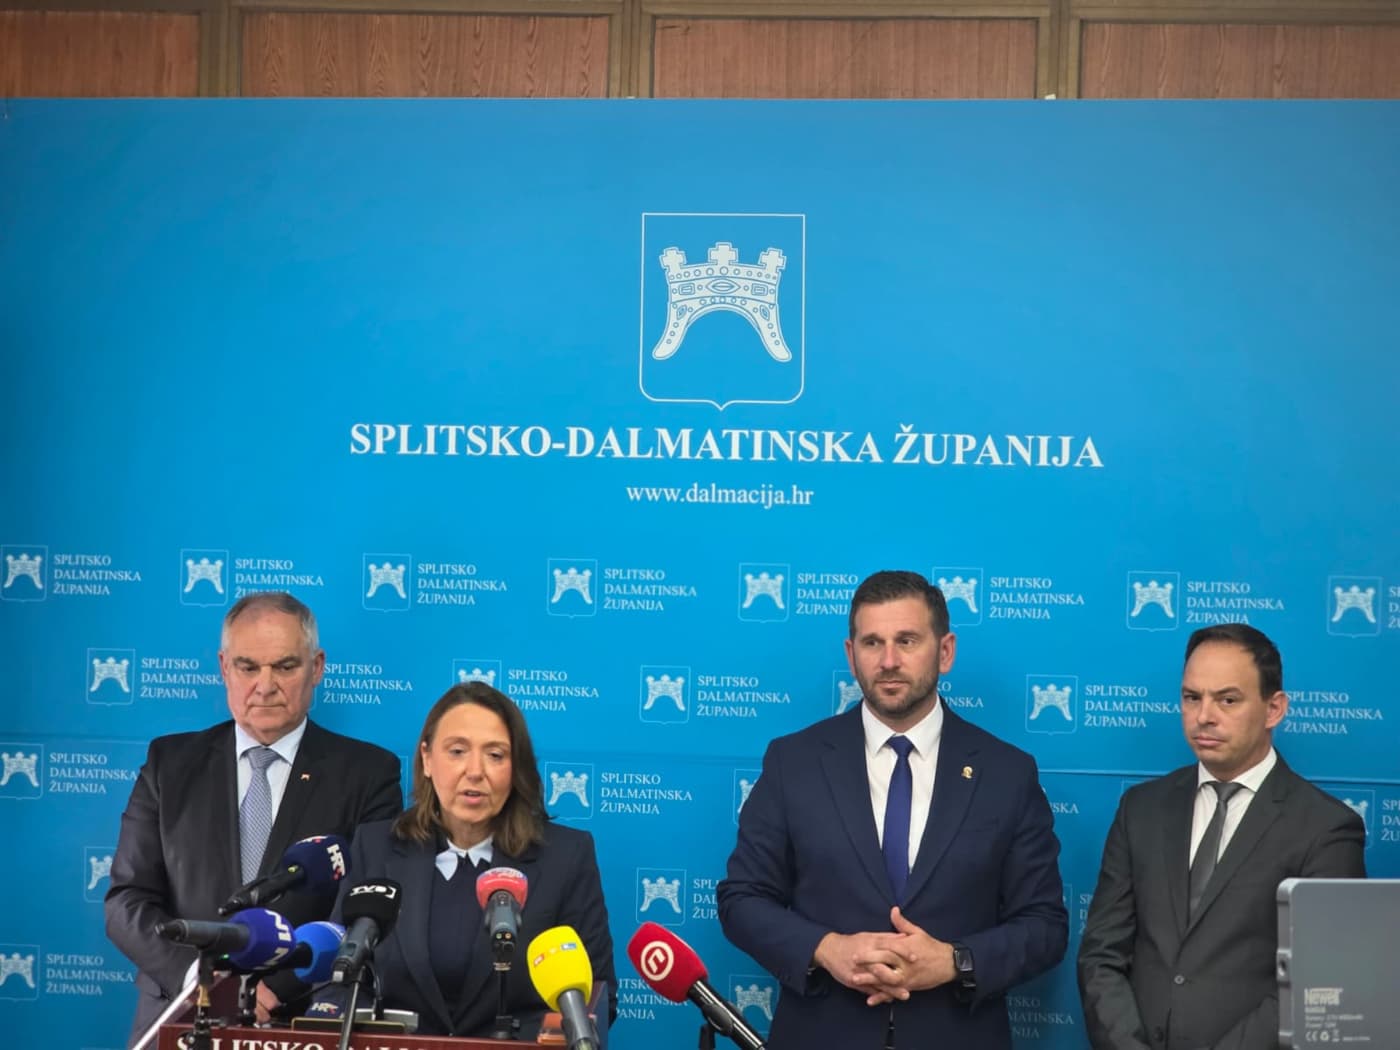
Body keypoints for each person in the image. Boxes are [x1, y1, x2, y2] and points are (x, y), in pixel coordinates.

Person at [718, 570, 1067, 1048]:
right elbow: (742, 899)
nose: (888, 661)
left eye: (907, 641)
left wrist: (954, 961)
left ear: (945, 651)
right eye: (872, 643)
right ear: (850, 654)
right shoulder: (793, 762)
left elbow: (1045, 926)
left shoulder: (1007, 773)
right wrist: (827, 949)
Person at [104, 592, 403, 1045]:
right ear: (224, 668)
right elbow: (127, 901)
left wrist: (274, 988)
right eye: (248, 667)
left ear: (317, 667)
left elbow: (365, 910)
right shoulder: (169, 764)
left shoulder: (368, 774)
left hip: (301, 1019)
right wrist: (200, 979)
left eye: (285, 666)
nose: (265, 685)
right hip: (178, 1012)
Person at [1078, 623, 1366, 1050]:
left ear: (1274, 709)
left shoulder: (1325, 828)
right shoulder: (1141, 809)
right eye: (1192, 697)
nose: (1204, 716)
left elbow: (1316, 979)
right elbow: (1102, 954)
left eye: (1227, 700)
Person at [311, 680, 617, 1038]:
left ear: (515, 768)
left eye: (495, 755)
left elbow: (595, 999)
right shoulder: (376, 847)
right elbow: (337, 981)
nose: (475, 771)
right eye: (457, 751)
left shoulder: (565, 857)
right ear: (427, 759)